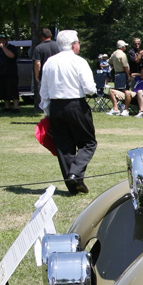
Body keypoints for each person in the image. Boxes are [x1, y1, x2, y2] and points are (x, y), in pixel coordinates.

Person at [39, 30, 97, 194]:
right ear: (73, 45)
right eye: (78, 43)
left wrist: (46, 110)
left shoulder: (49, 62)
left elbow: (43, 90)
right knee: (88, 142)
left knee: (64, 147)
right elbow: (89, 88)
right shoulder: (79, 61)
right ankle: (75, 174)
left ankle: (73, 186)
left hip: (56, 107)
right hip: (75, 104)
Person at [0, 34, 21, 112]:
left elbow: (11, 56)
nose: (2, 41)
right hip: (1, 73)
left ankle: (16, 108)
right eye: (0, 40)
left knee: (13, 90)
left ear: (6, 40)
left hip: (11, 73)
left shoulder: (11, 48)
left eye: (3, 40)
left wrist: (4, 48)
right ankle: (7, 107)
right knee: (4, 90)